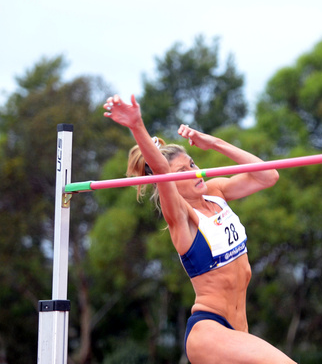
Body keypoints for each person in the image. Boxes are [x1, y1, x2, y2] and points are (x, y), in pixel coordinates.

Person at [103, 94, 296, 364]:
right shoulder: (182, 217)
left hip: (237, 330)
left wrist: (214, 143)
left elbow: (268, 176)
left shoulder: (216, 192)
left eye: (193, 163)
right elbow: (160, 168)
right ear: (170, 182)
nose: (196, 172)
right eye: (184, 171)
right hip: (210, 331)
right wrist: (137, 126)